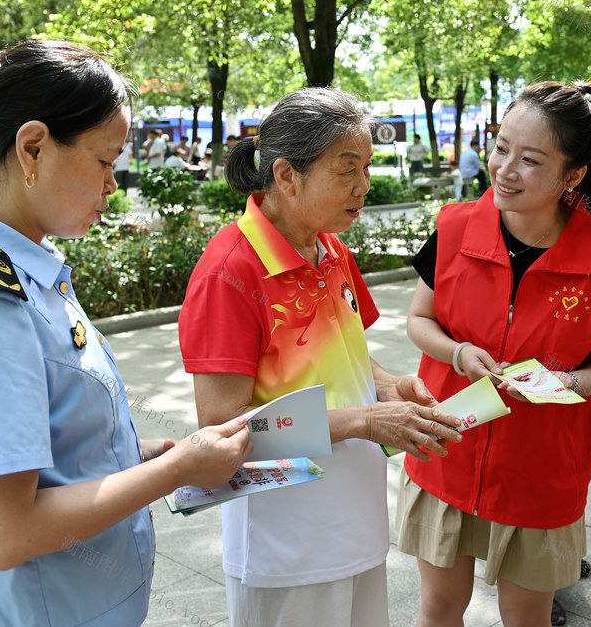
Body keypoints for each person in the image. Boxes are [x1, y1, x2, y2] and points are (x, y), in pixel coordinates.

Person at [0, 40, 252, 627]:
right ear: (33, 147)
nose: (113, 184)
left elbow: (45, 446)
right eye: (104, 161)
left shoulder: (22, 266)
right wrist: (175, 471)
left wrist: (143, 453)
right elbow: (8, 531)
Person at [177, 87, 464, 627]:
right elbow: (219, 432)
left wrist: (389, 387)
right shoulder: (230, 273)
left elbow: (354, 358)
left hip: (354, 520)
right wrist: (364, 420)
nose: (364, 185)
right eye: (346, 169)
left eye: (367, 167)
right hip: (285, 541)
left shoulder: (330, 247)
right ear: (286, 176)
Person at [396, 81, 591, 626]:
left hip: (541, 472)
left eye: (530, 160)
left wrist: (569, 383)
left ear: (573, 175)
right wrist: (458, 354)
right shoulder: (454, 227)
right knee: (438, 608)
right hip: (447, 451)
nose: (504, 169)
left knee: (527, 617)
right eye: (501, 147)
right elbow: (418, 320)